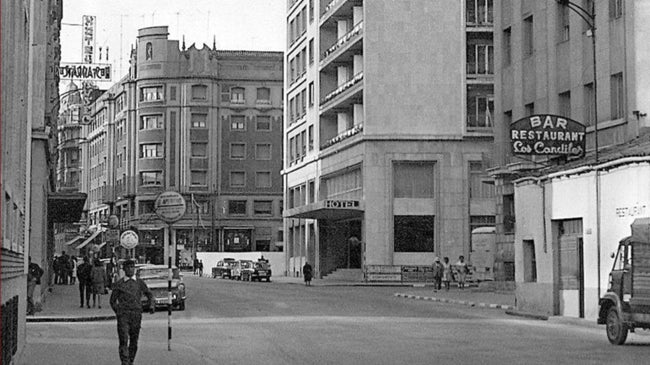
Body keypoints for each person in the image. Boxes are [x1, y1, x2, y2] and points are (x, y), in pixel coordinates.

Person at [110, 260, 154, 365]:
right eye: (128, 267)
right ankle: (125, 362)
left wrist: (151, 305)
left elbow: (149, 295)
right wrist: (118, 311)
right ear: (124, 269)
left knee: (134, 340)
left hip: (136, 314)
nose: (130, 269)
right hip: (123, 315)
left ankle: (131, 360)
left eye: (132, 267)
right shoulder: (119, 284)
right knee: (123, 339)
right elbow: (112, 301)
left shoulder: (139, 283)